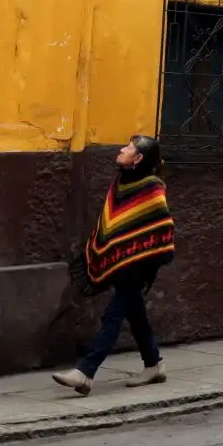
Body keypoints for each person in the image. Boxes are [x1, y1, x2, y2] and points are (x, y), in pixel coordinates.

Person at [52, 136, 175, 395]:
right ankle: (154, 364)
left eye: (129, 147)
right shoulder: (121, 181)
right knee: (136, 315)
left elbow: (161, 227)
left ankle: (86, 372)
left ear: (138, 158)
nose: (122, 149)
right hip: (121, 263)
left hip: (138, 265)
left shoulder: (153, 187)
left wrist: (138, 254)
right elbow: (113, 222)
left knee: (112, 316)